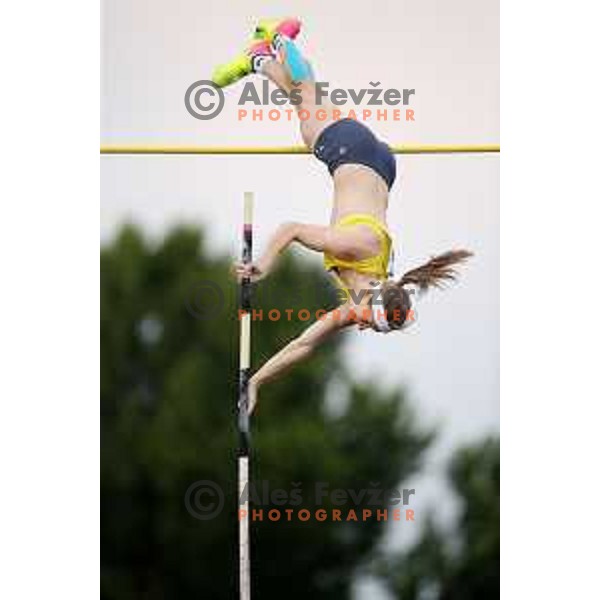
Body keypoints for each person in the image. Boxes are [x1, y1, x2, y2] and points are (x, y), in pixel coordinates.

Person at [213, 19, 473, 413]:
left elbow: (304, 344)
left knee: (306, 102)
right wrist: (263, 264)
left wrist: (258, 381)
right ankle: (278, 38)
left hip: (376, 166)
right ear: (375, 301)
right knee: (307, 96)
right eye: (371, 322)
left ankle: (259, 62)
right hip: (352, 154)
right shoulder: (358, 248)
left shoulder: (363, 299)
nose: (364, 326)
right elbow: (292, 229)